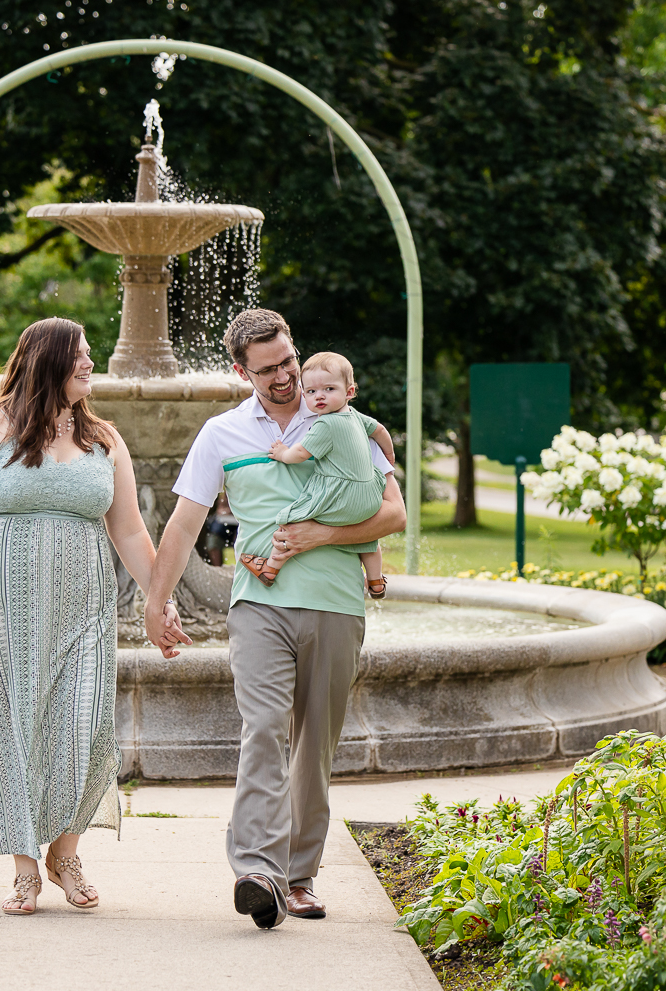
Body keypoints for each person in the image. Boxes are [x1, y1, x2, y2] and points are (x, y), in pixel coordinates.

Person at [142, 309, 407, 929]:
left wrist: (316, 536)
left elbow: (392, 514)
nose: (287, 377)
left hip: (337, 601)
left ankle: (299, 875)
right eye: (269, 370)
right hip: (258, 604)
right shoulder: (223, 434)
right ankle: (258, 869)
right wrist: (157, 600)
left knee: (314, 741)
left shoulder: (344, 420)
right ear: (242, 372)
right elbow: (183, 523)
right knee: (264, 728)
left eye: (289, 360)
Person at [0, 318, 186, 916]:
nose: (91, 367)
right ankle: (25, 868)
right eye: (81, 359)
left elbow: (128, 529)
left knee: (83, 724)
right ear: (48, 361)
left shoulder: (104, 439)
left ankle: (65, 852)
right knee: (11, 724)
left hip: (85, 607)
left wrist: (160, 600)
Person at [239, 351, 395, 599]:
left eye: (329, 389)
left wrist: (282, 452)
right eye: (310, 392)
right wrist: (388, 454)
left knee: (289, 524)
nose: (319, 396)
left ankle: (270, 568)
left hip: (340, 495)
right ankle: (376, 582)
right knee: (369, 539)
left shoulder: (325, 424)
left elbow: (300, 453)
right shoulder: (355, 417)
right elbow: (380, 430)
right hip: (369, 498)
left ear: (349, 392)